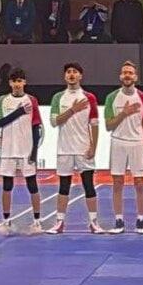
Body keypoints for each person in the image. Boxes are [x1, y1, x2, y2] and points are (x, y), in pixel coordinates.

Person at [47, 62, 105, 234]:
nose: (71, 74)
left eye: (75, 72)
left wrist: (93, 147)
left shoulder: (89, 98)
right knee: (63, 187)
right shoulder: (58, 98)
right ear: (65, 76)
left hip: (83, 148)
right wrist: (72, 109)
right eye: (68, 72)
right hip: (64, 149)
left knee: (89, 185)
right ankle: (59, 223)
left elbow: (94, 124)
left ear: (80, 76)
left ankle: (94, 222)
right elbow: (54, 121)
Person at [104, 61, 143, 234]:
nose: (127, 75)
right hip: (118, 142)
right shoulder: (111, 98)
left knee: (139, 183)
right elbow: (109, 125)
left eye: (130, 73)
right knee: (117, 182)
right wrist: (124, 113)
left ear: (135, 77)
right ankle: (119, 220)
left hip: (137, 143)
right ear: (120, 76)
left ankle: (141, 220)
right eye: (125, 72)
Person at [0, 68, 44, 233]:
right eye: (14, 81)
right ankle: (6, 221)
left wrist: (34, 152)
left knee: (32, 186)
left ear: (24, 82)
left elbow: (36, 126)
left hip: (26, 150)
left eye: (20, 81)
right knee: (7, 186)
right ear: (10, 83)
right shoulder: (3, 100)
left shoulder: (31, 100)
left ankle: (37, 221)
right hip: (8, 150)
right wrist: (19, 112)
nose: (17, 84)